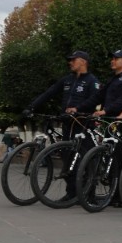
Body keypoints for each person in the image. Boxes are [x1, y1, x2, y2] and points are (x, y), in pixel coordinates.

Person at [24, 50, 102, 196]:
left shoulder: (93, 81)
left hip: (83, 125)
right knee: (68, 159)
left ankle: (89, 195)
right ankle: (71, 193)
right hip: (68, 124)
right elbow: (49, 93)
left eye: (73, 60)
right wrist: (31, 107)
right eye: (70, 60)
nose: (70, 62)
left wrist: (78, 109)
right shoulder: (67, 80)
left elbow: (94, 99)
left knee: (87, 160)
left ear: (83, 61)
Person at [91, 50, 122, 119]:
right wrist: (78, 108)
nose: (112, 61)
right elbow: (99, 96)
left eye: (116, 59)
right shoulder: (112, 79)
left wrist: (106, 111)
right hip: (108, 119)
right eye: (112, 59)